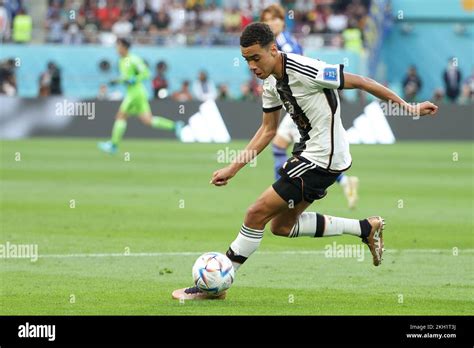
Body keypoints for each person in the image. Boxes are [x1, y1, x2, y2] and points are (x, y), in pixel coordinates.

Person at [172, 23, 438, 300]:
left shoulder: (306, 69)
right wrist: (233, 168)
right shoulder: (270, 84)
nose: (251, 65)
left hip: (324, 156)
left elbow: (361, 81)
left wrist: (408, 107)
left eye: (255, 57)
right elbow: (268, 130)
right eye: (246, 60)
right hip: (309, 151)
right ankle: (365, 228)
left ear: (273, 50)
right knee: (282, 227)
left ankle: (216, 286)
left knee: (256, 213)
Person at [261, 4, 359, 209]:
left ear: (282, 21)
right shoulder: (285, 41)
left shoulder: (283, 45)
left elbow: (294, 72)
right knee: (283, 145)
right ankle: (342, 181)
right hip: (297, 99)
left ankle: (283, 192)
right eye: (267, 20)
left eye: (275, 19)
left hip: (300, 101)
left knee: (293, 146)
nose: (271, 23)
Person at [98, 38, 183, 154]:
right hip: (136, 93)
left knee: (121, 116)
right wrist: (116, 81)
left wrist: (134, 79)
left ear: (124, 47)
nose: (116, 49)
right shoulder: (122, 61)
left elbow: (146, 74)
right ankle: (174, 126)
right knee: (148, 120)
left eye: (118, 46)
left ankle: (113, 145)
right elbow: (126, 77)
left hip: (135, 93)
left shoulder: (134, 59)